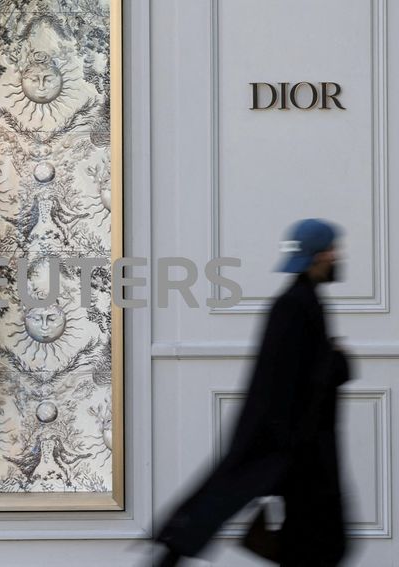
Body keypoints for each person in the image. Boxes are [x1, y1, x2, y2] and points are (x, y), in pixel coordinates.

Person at [154, 218, 351, 566]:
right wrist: (336, 363)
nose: (337, 256)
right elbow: (289, 378)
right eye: (333, 250)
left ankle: (171, 550)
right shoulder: (294, 306)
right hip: (296, 446)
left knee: (316, 541)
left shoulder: (302, 302)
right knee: (320, 542)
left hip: (296, 445)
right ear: (319, 256)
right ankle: (169, 552)